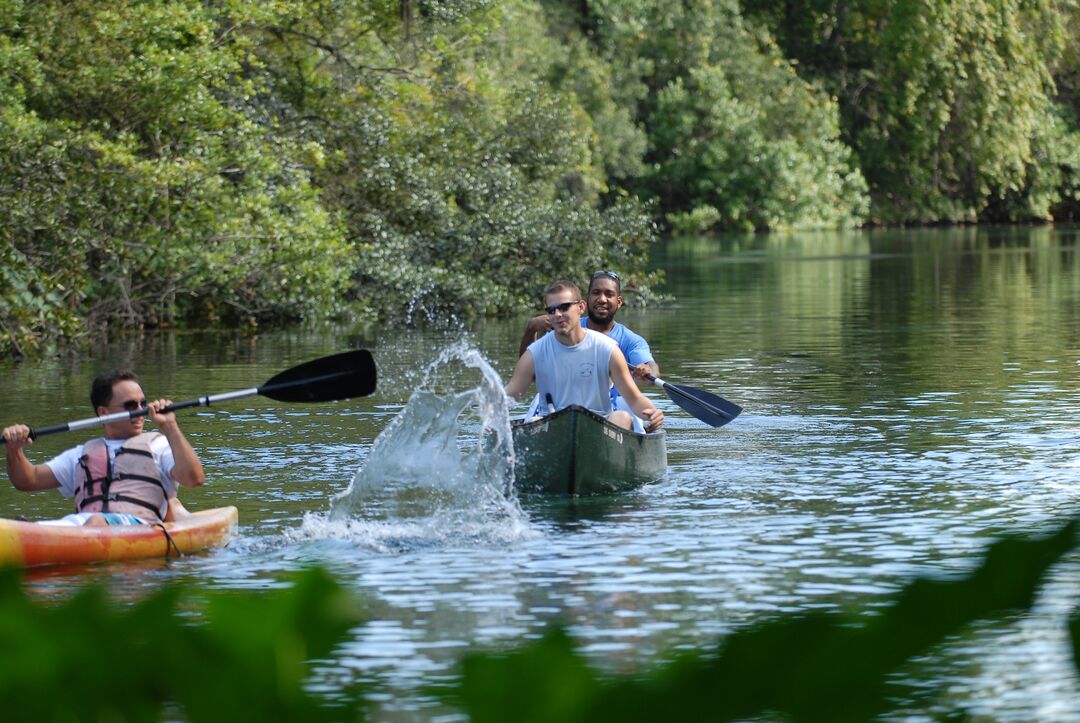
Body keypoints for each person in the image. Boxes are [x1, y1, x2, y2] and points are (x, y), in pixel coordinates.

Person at [2, 369, 205, 527]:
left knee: (96, 521)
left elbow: (194, 479)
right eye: (130, 405)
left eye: (143, 404)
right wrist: (14, 449)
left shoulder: (160, 445)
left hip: (140, 527)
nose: (140, 411)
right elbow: (27, 480)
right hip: (81, 525)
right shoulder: (81, 454)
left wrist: (170, 426)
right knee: (25, 525)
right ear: (103, 412)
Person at [506, 280, 664, 433]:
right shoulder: (534, 352)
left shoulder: (608, 349)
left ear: (581, 307)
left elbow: (634, 398)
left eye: (564, 307)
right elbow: (510, 396)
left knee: (621, 417)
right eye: (551, 310)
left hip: (598, 424)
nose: (558, 314)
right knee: (533, 422)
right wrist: (493, 413)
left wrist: (653, 413)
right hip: (553, 424)